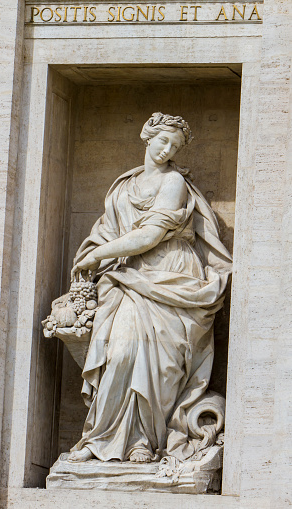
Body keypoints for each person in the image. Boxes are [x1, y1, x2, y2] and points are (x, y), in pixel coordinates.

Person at [68, 112, 232, 463]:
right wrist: (96, 254)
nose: (166, 149)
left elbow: (150, 235)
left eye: (175, 145)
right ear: (147, 135)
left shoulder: (173, 183)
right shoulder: (124, 184)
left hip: (171, 274)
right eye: (163, 140)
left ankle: (145, 441)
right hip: (130, 276)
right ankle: (101, 440)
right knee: (122, 353)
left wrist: (98, 255)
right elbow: (111, 229)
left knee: (160, 364)